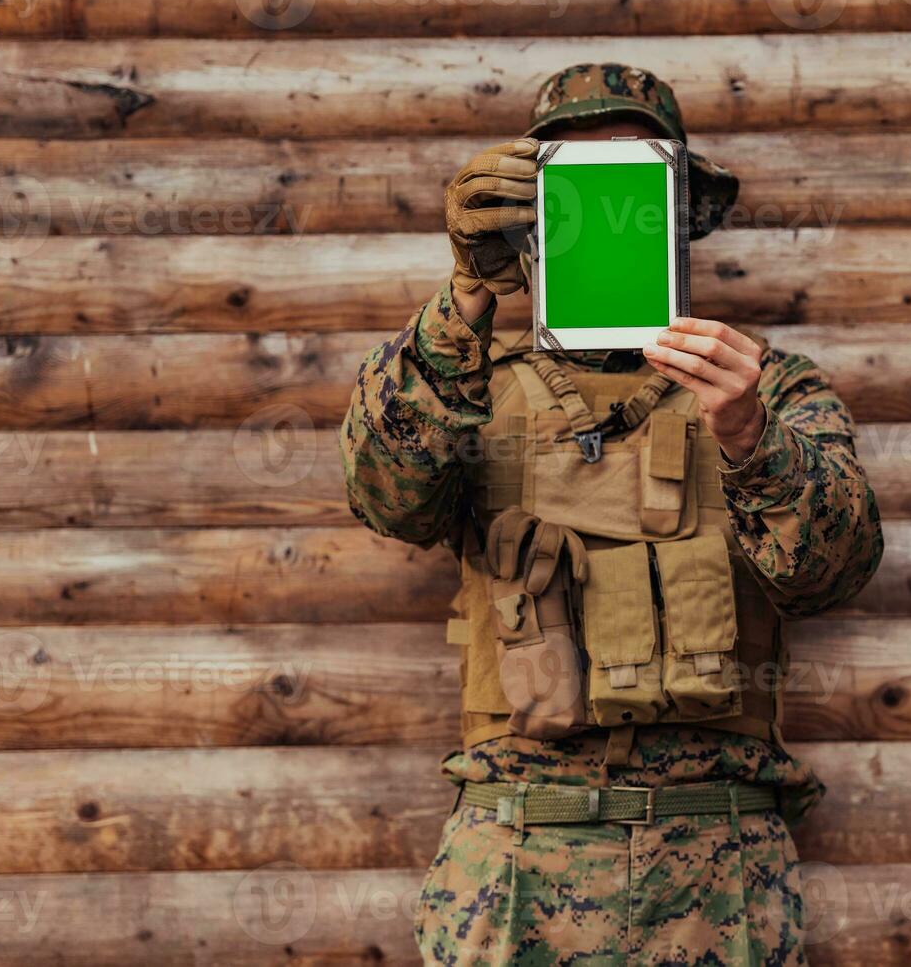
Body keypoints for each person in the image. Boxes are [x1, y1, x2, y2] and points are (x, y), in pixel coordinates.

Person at [340, 62, 883, 966]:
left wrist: (749, 435)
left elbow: (835, 571)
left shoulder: (764, 385)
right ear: (531, 218)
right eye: (570, 189)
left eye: (631, 184)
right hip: (515, 862)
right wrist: (464, 296)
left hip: (720, 864)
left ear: (677, 211)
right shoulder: (463, 378)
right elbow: (386, 496)